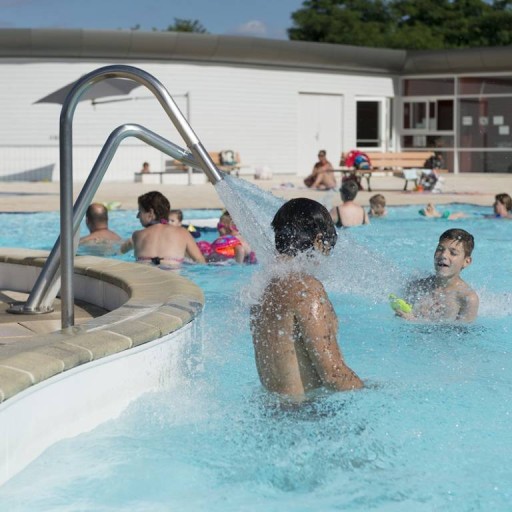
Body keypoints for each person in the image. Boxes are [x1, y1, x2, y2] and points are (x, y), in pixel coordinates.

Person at [250, 198, 363, 399]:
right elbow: (333, 374)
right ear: (319, 240)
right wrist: (375, 393)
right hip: (306, 417)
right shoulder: (306, 289)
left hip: (275, 414)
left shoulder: (263, 285)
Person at [395, 228, 479, 323]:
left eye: (453, 253)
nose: (443, 255)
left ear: (466, 261)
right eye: (440, 249)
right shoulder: (416, 287)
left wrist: (414, 321)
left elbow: (459, 336)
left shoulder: (467, 299)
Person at [120, 191, 205, 266]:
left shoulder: (137, 235)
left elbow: (121, 251)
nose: (137, 216)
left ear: (151, 212)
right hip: (171, 277)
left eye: (140, 211)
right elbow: (201, 262)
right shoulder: (183, 233)